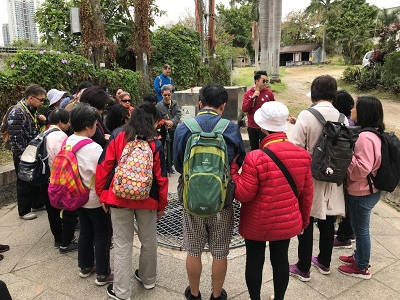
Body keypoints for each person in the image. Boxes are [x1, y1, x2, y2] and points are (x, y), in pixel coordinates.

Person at [230, 101, 313, 300]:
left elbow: (243, 194)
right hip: (286, 220)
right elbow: (307, 194)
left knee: (255, 261)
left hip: (256, 222)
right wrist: (304, 220)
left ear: (263, 127)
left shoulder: (255, 157)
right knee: (281, 260)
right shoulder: (302, 155)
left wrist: (234, 171)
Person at [173, 83, 246, 300]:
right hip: (222, 200)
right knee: (220, 252)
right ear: (223, 106)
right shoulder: (230, 129)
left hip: (191, 199)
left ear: (200, 103)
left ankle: (194, 294)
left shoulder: (184, 128)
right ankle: (216, 295)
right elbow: (238, 160)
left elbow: (178, 165)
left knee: (193, 251)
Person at [96, 102, 168, 300]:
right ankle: (148, 279)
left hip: (119, 197)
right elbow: (161, 178)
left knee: (122, 244)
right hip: (148, 200)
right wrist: (162, 205)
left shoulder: (119, 135)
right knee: (149, 241)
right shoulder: (154, 141)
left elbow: (104, 166)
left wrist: (103, 194)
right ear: (152, 120)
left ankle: (122, 292)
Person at [289, 75, 348, 281]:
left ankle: (303, 267)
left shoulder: (306, 115)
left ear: (314, 92)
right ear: (334, 93)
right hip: (333, 178)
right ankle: (324, 262)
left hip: (310, 177)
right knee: (328, 221)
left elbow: (295, 148)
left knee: (306, 220)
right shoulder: (342, 117)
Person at [67, 103, 113, 286]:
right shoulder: (93, 148)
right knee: (102, 234)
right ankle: (103, 273)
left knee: (85, 230)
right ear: (87, 126)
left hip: (76, 196)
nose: (97, 126)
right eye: (95, 123)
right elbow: (103, 175)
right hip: (94, 199)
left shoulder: (68, 141)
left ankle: (85, 266)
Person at [338, 96, 383, 279]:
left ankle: (362, 266)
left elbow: (361, 169)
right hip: (368, 189)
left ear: (363, 112)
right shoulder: (373, 132)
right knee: (359, 228)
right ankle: (359, 257)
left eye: (355, 107)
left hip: (362, 190)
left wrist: (346, 156)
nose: (352, 109)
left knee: (361, 230)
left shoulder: (364, 137)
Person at [7, 84, 47, 220]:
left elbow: (32, 128)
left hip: (32, 150)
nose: (42, 103)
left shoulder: (31, 109)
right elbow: (15, 136)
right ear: (31, 98)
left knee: (34, 177)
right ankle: (23, 210)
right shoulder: (17, 112)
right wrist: (22, 155)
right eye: (41, 100)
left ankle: (37, 203)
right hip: (23, 153)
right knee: (23, 179)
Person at [43, 109, 78, 252]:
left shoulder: (44, 133)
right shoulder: (60, 136)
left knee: (51, 210)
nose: (69, 124)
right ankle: (66, 241)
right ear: (60, 122)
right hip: (57, 179)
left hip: (44, 177)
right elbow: (64, 158)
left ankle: (58, 238)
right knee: (67, 209)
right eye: (67, 121)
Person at [332, 90, 356, 249]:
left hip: (346, 169)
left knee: (346, 203)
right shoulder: (351, 122)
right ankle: (349, 232)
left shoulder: (344, 123)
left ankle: (344, 236)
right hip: (350, 169)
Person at [242, 70, 275, 150]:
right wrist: (252, 97)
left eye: (267, 81)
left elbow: (273, 108)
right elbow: (244, 108)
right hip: (252, 126)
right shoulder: (248, 94)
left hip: (265, 127)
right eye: (264, 81)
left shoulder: (269, 93)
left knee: (266, 149)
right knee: (254, 149)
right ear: (257, 81)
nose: (265, 83)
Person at [157, 84, 181, 174]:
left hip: (172, 130)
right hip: (163, 130)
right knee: (162, 148)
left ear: (171, 94)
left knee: (172, 148)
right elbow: (157, 118)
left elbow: (178, 115)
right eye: (165, 95)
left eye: (168, 95)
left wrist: (173, 122)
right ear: (162, 95)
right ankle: (162, 167)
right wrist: (165, 122)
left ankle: (169, 166)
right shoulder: (158, 106)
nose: (167, 97)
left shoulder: (175, 104)